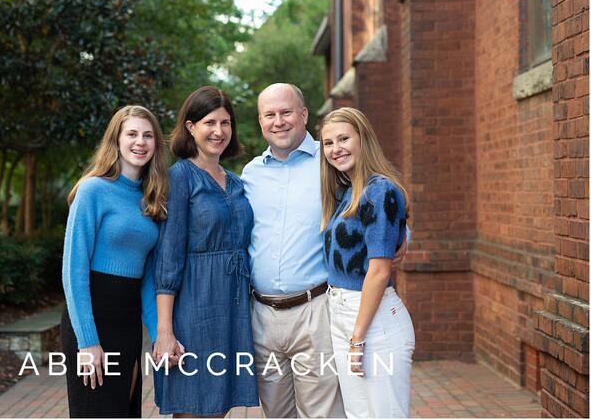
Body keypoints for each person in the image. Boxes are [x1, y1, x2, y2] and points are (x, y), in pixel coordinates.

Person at [241, 83, 407, 418]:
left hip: (316, 309)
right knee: (275, 413)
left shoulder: (331, 159)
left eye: (286, 112)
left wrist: (404, 236)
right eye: (269, 115)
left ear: (303, 115)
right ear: (260, 121)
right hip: (261, 314)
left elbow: (374, 200)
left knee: (324, 413)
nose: (279, 121)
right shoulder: (251, 174)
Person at [152, 86, 259, 417]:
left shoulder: (237, 182)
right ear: (190, 127)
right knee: (194, 404)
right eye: (209, 122)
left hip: (234, 306)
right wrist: (165, 331)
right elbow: (168, 260)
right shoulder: (180, 178)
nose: (219, 131)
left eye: (225, 123)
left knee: (219, 405)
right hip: (194, 308)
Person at [60, 105, 168, 418]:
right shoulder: (93, 190)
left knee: (125, 410)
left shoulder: (151, 199)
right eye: (132, 134)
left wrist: (158, 333)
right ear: (116, 140)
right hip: (93, 315)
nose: (140, 142)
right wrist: (88, 342)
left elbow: (147, 279)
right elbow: (73, 271)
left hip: (127, 319)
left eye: (148, 135)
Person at [320, 107, 414, 418]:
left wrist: (358, 338)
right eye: (329, 143)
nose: (336, 149)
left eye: (344, 138)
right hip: (343, 315)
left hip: (374, 322)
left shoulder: (379, 190)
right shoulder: (346, 192)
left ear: (363, 140)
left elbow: (378, 271)